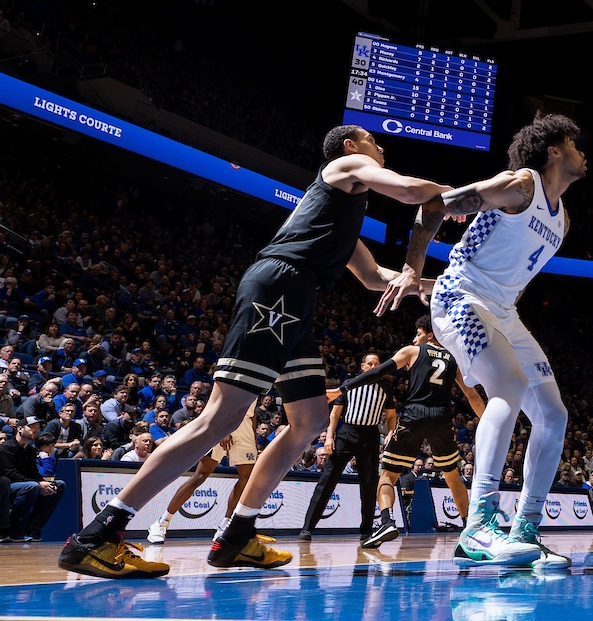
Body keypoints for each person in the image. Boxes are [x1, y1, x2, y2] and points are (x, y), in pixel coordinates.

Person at [59, 124, 455, 579]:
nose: (380, 147)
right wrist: (457, 196)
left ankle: (237, 535)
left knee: (307, 421)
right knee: (220, 419)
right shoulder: (344, 166)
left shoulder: (338, 216)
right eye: (373, 140)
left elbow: (372, 278)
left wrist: (442, 285)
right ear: (350, 147)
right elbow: (410, 191)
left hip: (296, 299)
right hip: (278, 289)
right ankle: (99, 534)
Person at [400, 113, 586, 568]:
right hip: (461, 293)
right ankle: (479, 527)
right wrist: (412, 270)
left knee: (554, 415)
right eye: (574, 143)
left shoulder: (563, 223)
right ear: (554, 151)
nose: (583, 152)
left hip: (503, 309)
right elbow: (437, 205)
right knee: (508, 386)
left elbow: (518, 279)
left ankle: (525, 529)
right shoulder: (520, 184)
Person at [346, 315, 486, 548]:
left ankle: (387, 522)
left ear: (429, 334)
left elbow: (377, 372)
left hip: (413, 415)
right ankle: (469, 527)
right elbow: (473, 397)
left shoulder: (412, 351)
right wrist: (493, 424)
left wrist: (344, 387)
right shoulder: (454, 358)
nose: (414, 338)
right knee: (452, 474)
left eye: (418, 333)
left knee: (388, 475)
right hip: (441, 418)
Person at [299, 352, 394, 541]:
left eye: (377, 364)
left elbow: (391, 416)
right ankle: (307, 528)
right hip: (347, 433)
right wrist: (329, 437)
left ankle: (366, 530)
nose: (374, 367)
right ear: (363, 366)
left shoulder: (386, 387)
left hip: (371, 436)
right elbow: (335, 413)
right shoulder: (350, 384)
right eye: (370, 364)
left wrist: (391, 433)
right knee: (327, 480)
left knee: (369, 485)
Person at [146, 402, 261, 544]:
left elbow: (252, 411)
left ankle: (225, 525)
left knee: (246, 478)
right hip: (222, 424)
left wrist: (254, 439)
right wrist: (225, 429)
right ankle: (162, 522)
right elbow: (221, 401)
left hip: (245, 429)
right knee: (200, 476)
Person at [1, 418, 65, 541]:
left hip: (28, 485)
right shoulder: (7, 448)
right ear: (20, 429)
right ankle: (15, 528)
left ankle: (33, 525)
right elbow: (9, 474)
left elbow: (34, 473)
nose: (36, 430)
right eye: (32, 427)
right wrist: (38, 483)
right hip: (9, 487)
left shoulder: (30, 450)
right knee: (33, 486)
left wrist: (44, 483)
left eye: (38, 428)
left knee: (59, 485)